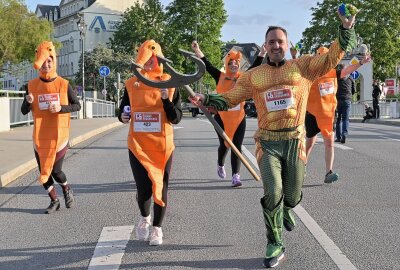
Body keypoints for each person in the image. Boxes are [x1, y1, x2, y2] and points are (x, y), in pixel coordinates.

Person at [191, 9, 357, 268]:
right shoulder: (254, 76)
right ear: (265, 46)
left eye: (280, 41)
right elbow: (231, 97)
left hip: (294, 142)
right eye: (271, 42)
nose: (276, 45)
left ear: (287, 44)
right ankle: (274, 242)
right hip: (267, 143)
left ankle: (287, 209)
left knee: (291, 197)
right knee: (273, 192)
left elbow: (332, 58)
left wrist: (345, 31)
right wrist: (207, 99)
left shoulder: (303, 67)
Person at [118, 39, 182, 246]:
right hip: (137, 145)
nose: (150, 63)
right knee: (144, 188)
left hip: (163, 145)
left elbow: (176, 118)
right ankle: (145, 217)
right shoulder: (130, 83)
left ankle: (157, 228)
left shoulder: (170, 82)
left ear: (159, 58)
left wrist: (165, 99)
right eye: (146, 59)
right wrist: (122, 116)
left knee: (161, 187)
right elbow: (122, 109)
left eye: (153, 59)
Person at [191, 40, 267, 187]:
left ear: (238, 65)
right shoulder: (219, 76)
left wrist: (262, 53)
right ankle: (220, 163)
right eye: (231, 63)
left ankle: (235, 176)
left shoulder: (242, 77)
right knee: (224, 145)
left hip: (239, 118)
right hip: (221, 117)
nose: (233, 65)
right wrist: (197, 50)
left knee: (236, 146)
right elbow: (207, 64)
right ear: (227, 64)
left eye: (236, 63)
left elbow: (254, 67)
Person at [291, 46, 370, 183]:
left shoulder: (333, 72)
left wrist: (361, 63)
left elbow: (346, 71)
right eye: (320, 58)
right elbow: (296, 69)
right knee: (309, 142)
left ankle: (329, 172)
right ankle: (301, 167)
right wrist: (294, 56)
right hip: (312, 113)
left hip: (327, 115)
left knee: (329, 142)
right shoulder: (310, 73)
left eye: (325, 59)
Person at [21, 41, 81, 214]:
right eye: (44, 61)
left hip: (60, 135)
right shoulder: (31, 85)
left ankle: (66, 188)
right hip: (40, 136)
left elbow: (77, 106)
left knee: (56, 171)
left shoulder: (64, 84)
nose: (47, 65)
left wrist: (61, 108)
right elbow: (24, 111)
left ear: (54, 60)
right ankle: (54, 200)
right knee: (43, 173)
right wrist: (28, 101)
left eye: (50, 61)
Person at [335, 63, 356, 144]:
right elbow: (353, 90)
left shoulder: (336, 78)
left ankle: (338, 137)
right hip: (347, 100)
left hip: (337, 100)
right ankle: (344, 134)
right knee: (345, 119)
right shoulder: (350, 78)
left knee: (338, 119)